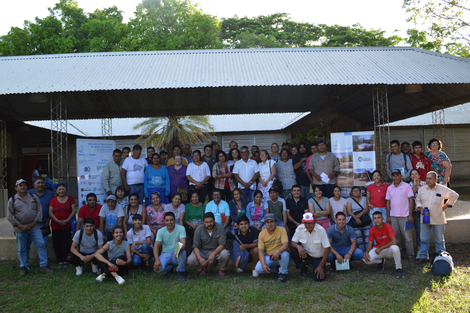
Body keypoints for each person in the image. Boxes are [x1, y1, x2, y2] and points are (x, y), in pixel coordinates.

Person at [8, 179, 54, 276]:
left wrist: (33, 224)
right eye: (20, 185)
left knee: (41, 244)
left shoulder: (33, 197)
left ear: (27, 187)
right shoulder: (12, 200)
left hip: (35, 227)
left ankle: (43, 265)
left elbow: (39, 211)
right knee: (22, 248)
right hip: (20, 228)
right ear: (16, 188)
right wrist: (20, 225)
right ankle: (24, 266)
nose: (23, 187)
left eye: (24, 185)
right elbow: (10, 216)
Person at [416, 171, 459, 264]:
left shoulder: (442, 189)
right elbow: (417, 200)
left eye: (430, 178)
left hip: (438, 218)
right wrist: (420, 208)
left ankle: (442, 258)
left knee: (439, 240)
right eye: (427, 178)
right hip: (425, 219)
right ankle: (423, 256)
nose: (428, 180)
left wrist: (445, 206)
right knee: (423, 239)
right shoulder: (422, 189)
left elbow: (455, 195)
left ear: (436, 179)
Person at [187, 212, 230, 276]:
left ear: (214, 220)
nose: (209, 224)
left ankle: (221, 268)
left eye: (211, 222)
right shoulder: (199, 229)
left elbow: (222, 244)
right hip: (202, 251)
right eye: (206, 222)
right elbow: (195, 246)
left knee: (225, 254)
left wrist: (213, 254)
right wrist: (200, 259)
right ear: (203, 222)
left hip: (216, 250)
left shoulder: (220, 227)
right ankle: (202, 268)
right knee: (190, 260)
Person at [291, 212, 331, 280]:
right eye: (305, 223)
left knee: (319, 278)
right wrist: (298, 247)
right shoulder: (300, 228)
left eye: (310, 223)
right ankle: (303, 268)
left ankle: (317, 265)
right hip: (305, 254)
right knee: (293, 251)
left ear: (315, 222)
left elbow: (327, 249)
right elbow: (292, 242)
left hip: (317, 256)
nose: (307, 225)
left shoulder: (321, 230)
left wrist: (320, 266)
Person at [363, 211, 404, 278]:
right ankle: (380, 261)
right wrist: (367, 252)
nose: (377, 220)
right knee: (367, 260)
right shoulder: (372, 230)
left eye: (379, 218)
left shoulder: (388, 226)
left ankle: (399, 269)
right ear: (373, 220)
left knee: (395, 248)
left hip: (388, 249)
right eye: (375, 218)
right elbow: (370, 243)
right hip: (379, 250)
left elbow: (394, 241)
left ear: (382, 218)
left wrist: (381, 248)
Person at [386, 169, 415, 262]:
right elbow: (388, 202)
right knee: (395, 237)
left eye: (397, 175)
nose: (395, 177)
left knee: (408, 237)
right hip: (393, 216)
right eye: (393, 175)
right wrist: (388, 216)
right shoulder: (389, 188)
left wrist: (410, 215)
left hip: (405, 216)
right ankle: (397, 255)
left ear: (401, 176)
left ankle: (411, 255)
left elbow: (411, 201)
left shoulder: (407, 186)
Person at [254, 213, 290, 283]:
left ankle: (282, 273)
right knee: (258, 269)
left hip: (280, 255)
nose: (270, 224)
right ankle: (274, 269)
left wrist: (277, 252)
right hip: (270, 257)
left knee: (285, 254)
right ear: (265, 224)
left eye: (272, 222)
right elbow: (260, 251)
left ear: (275, 222)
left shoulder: (282, 230)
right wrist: (264, 265)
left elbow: (285, 245)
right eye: (267, 222)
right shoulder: (262, 234)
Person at [49, 183, 76, 268]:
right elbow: (50, 212)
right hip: (55, 225)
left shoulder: (70, 198)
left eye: (63, 189)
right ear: (56, 191)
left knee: (67, 243)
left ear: (66, 190)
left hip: (66, 225)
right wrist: (57, 220)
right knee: (57, 243)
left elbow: (74, 210)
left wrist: (67, 220)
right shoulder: (53, 200)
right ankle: (60, 260)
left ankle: (66, 260)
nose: (61, 191)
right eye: (59, 189)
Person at [153, 212, 187, 279]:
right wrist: (157, 260)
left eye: (171, 220)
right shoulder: (160, 231)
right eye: (167, 220)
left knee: (183, 253)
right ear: (164, 221)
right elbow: (156, 245)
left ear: (174, 220)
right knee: (157, 269)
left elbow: (183, 242)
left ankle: (180, 271)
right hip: (166, 253)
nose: (169, 222)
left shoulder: (181, 228)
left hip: (177, 253)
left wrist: (179, 251)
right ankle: (169, 268)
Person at [28, 176, 54, 252]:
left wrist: (47, 221)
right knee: (28, 243)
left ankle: (42, 262)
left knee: (42, 243)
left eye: (42, 183)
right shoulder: (29, 193)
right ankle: (25, 262)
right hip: (31, 224)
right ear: (34, 184)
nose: (40, 185)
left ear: (45, 184)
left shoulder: (50, 194)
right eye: (38, 183)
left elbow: (51, 209)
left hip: (43, 224)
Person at [346, 186, 371, 252]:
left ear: (360, 192)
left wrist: (359, 216)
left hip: (364, 219)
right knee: (358, 236)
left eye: (357, 191)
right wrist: (356, 218)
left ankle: (368, 252)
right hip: (355, 220)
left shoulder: (364, 198)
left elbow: (366, 209)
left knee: (368, 235)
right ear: (351, 193)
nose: (356, 192)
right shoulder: (349, 200)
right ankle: (362, 252)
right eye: (354, 191)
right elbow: (349, 211)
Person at [409, 168, 427, 258]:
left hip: (425, 211)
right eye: (412, 174)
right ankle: (420, 250)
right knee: (418, 230)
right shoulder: (408, 186)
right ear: (410, 176)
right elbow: (407, 200)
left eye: (416, 174)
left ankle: (425, 250)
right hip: (415, 211)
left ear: (419, 175)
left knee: (426, 229)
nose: (414, 176)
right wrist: (412, 193)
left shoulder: (424, 184)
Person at [184, 191, 206, 256]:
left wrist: (199, 225)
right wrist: (192, 225)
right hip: (190, 227)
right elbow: (185, 220)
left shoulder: (203, 206)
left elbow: (205, 218)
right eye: (193, 197)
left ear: (198, 197)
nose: (195, 198)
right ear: (190, 198)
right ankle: (193, 252)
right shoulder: (187, 206)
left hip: (201, 226)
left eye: (196, 197)